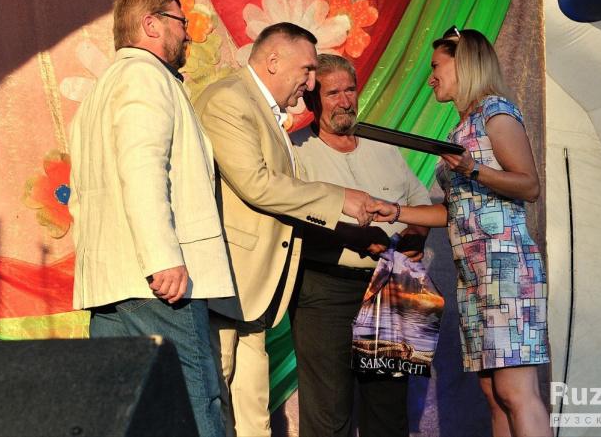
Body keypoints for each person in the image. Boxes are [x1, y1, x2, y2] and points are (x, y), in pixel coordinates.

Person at [192, 23, 376, 437]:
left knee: (253, 411)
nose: (310, 83)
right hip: (228, 282)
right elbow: (256, 184)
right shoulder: (228, 99)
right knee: (214, 399)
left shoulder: (262, 107)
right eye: (307, 70)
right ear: (273, 61)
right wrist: (338, 199)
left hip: (254, 291)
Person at [68, 0, 234, 437]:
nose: (189, 34)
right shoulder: (144, 76)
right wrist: (162, 255)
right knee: (192, 405)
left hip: (113, 282)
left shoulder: (101, 91)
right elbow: (142, 166)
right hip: (154, 282)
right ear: (151, 24)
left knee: (129, 417)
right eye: (181, 22)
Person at [372, 28, 551, 437]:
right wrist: (395, 211)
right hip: (474, 276)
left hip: (506, 269)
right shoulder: (461, 129)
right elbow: (455, 210)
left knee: (516, 390)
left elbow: (529, 185)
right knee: (493, 393)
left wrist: (473, 168)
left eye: (437, 66)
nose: (430, 78)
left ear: (464, 63)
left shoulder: (495, 112)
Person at [290, 54, 431, 437]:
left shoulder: (384, 147)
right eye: (332, 93)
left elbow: (420, 205)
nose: (345, 101)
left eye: (350, 90)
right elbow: (289, 220)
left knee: (388, 408)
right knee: (328, 411)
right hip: (325, 291)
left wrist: (416, 235)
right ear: (312, 99)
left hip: (392, 286)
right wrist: (351, 237)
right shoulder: (296, 151)